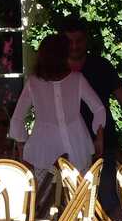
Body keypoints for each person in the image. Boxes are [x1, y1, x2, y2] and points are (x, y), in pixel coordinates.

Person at [59, 15, 122, 215]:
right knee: (69, 203)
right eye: (69, 41)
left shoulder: (101, 66)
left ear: (86, 40)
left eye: (79, 41)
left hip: (103, 144)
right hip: (67, 147)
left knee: (108, 197)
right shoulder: (55, 70)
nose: (74, 46)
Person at [9, 34, 106, 176]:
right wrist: (99, 137)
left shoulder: (33, 83)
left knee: (48, 195)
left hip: (44, 148)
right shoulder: (77, 79)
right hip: (77, 145)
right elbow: (99, 109)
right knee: (78, 195)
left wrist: (22, 145)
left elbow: (17, 119)